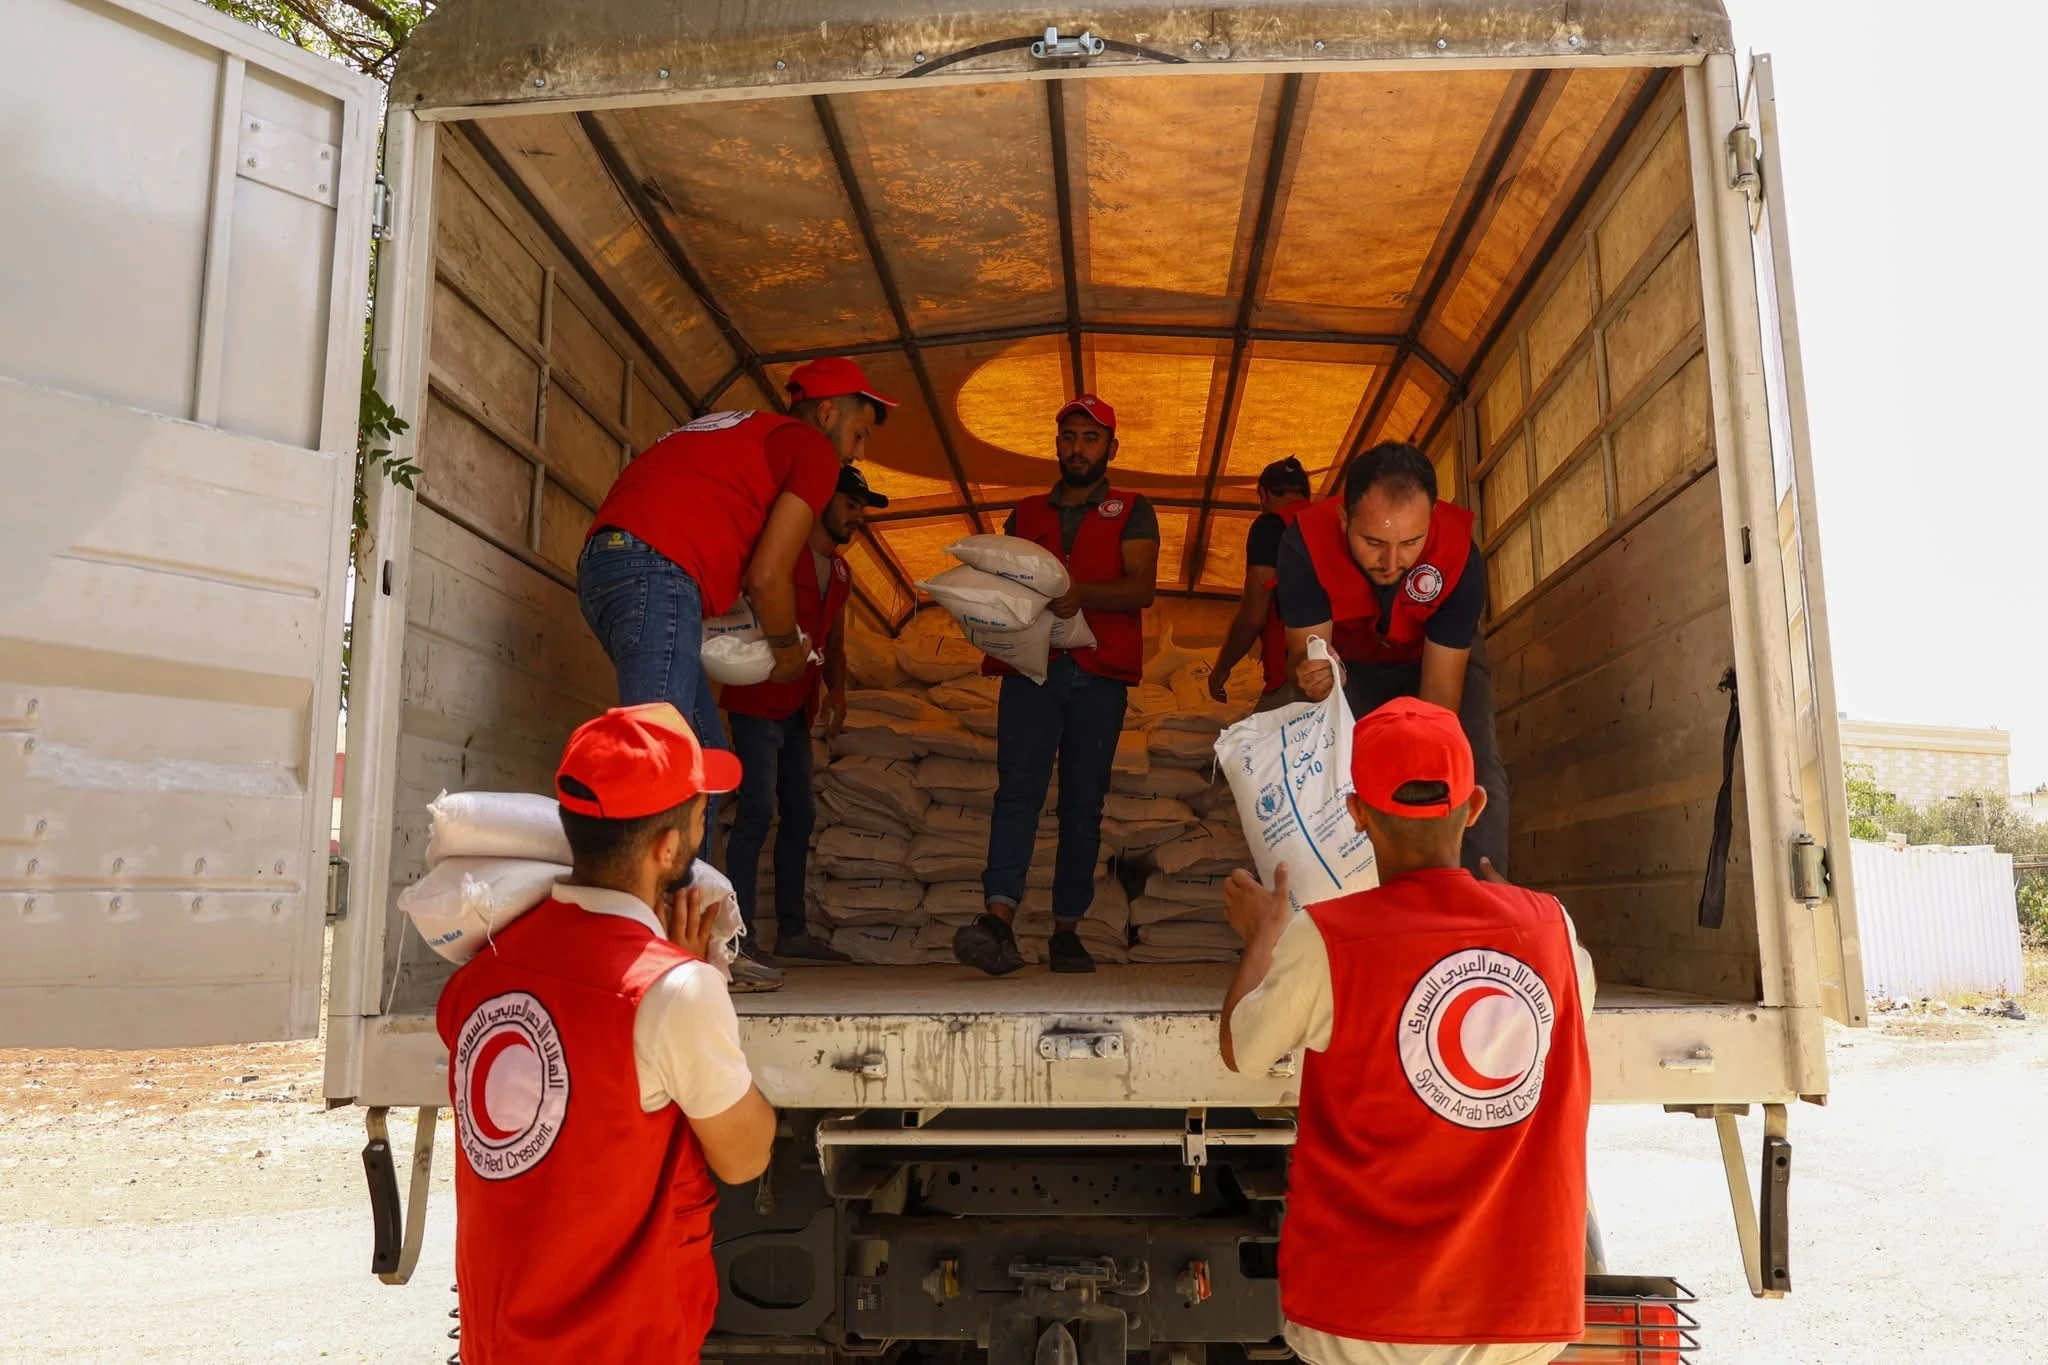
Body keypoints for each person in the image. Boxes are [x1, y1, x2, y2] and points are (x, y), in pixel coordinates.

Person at [1219, 697, 1596, 1365]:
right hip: (1518, 1318)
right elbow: (1566, 1014)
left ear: (1356, 813)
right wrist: (1515, 909)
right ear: (1474, 806)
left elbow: (1244, 1051)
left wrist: (1264, 936)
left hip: (1363, 1320)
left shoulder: (1328, 938)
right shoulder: (1553, 929)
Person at [437, 702, 778, 1364]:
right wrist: (690, 982)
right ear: (667, 848)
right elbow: (746, 1157)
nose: (703, 826)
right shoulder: (674, 992)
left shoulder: (481, 973)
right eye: (700, 813)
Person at [576, 355, 894, 837]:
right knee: (667, 764)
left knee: (704, 757)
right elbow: (768, 577)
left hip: (607, 566)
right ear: (828, 414)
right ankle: (637, 886)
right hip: (657, 571)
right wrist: (786, 651)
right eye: (860, 434)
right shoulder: (813, 449)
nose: (860, 453)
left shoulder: (739, 429)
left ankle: (683, 883)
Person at [954, 394, 1160, 976]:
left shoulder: (1132, 509)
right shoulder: (1025, 514)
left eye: (1090, 438)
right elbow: (1002, 584)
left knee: (1082, 805)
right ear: (1056, 445)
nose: (1078, 448)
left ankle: (1067, 930)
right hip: (1032, 673)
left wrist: (1081, 594)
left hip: (1098, 677)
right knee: (1017, 793)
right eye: (1069, 437)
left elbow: (1141, 587)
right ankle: (998, 921)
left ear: (1111, 448)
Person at [1274, 441, 1509, 875]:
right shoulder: (1304, 545)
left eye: (1411, 542)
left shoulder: (1458, 556)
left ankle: (1475, 891)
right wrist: (1312, 677)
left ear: (1431, 519)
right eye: (1372, 542)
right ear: (1344, 517)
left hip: (1431, 659)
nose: (1391, 561)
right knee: (1318, 761)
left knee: (1468, 762)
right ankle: (1342, 889)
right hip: (1349, 665)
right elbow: (1303, 658)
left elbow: (1438, 707)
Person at [718, 465, 889, 967]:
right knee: (755, 812)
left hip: (798, 708)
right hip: (756, 702)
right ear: (822, 501)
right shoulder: (779, 552)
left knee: (801, 814)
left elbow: (834, 638)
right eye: (851, 505)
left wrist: (838, 691)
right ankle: (738, 938)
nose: (858, 517)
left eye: (862, 509)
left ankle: (792, 931)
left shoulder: (841, 573)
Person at [1208, 455, 1314, 712]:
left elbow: (1253, 617)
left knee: (1259, 738)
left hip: (1297, 670)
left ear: (1263, 495)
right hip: (1351, 669)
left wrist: (1221, 669)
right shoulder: (1335, 521)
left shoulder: (1271, 526)